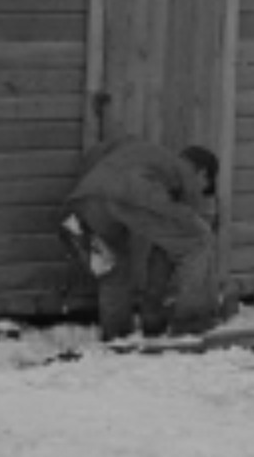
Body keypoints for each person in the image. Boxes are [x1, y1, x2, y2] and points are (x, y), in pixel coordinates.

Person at [63, 137, 222, 342]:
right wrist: (188, 219)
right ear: (202, 173)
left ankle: (118, 337)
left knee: (113, 271)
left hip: (76, 215)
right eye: (203, 187)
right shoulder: (177, 170)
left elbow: (97, 152)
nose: (197, 194)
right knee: (198, 241)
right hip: (128, 196)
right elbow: (146, 199)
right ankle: (192, 323)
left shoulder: (140, 151)